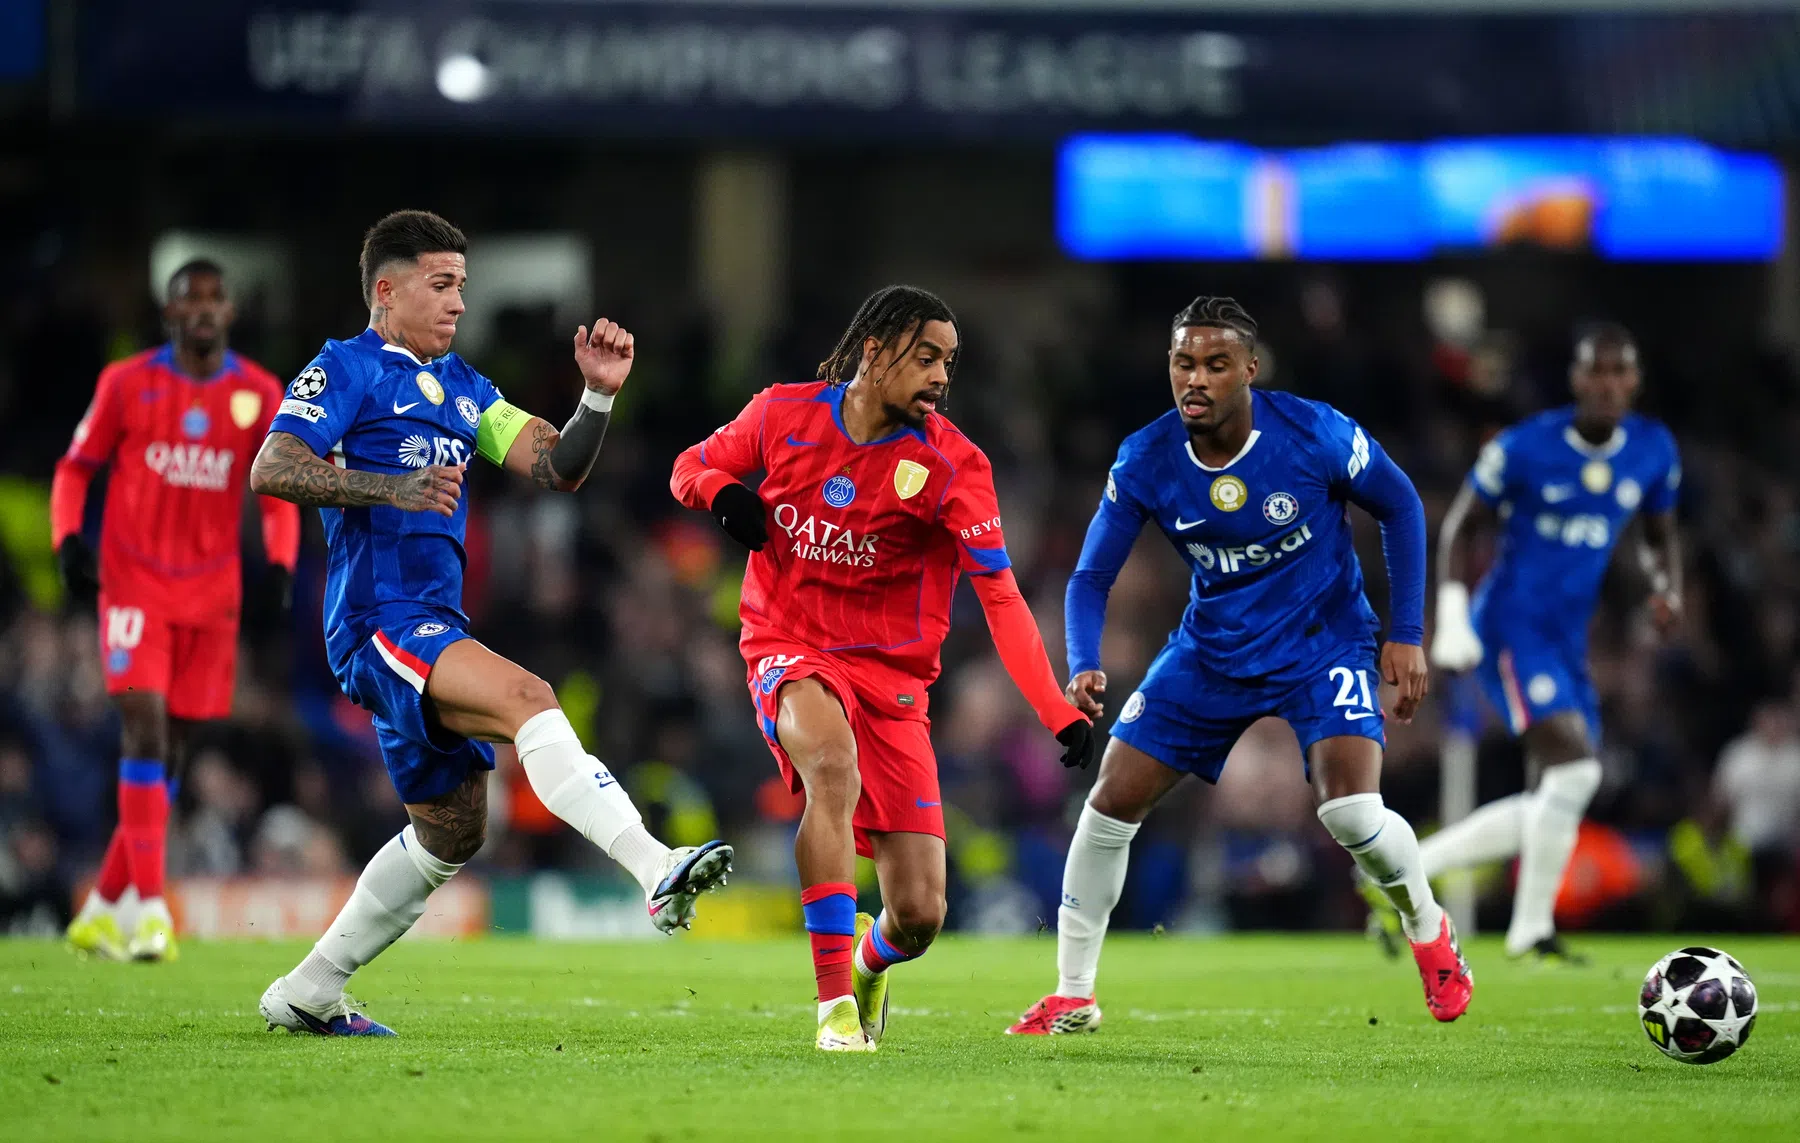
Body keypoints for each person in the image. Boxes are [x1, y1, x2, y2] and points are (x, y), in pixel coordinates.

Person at [249, 210, 731, 1036]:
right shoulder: (347, 370)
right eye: (441, 285)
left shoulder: (466, 387)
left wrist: (597, 397)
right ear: (386, 290)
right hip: (378, 618)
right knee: (528, 695)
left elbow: (555, 465)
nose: (458, 303)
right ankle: (656, 867)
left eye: (463, 286)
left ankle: (307, 989)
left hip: (432, 620)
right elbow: (273, 465)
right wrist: (387, 488)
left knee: (451, 832)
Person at [1009, 295, 1470, 1036]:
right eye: (1183, 362)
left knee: (1350, 811)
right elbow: (1091, 576)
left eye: (1215, 364)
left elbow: (1403, 505)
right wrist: (1085, 659)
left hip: (1324, 640)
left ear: (1249, 370)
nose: (1196, 378)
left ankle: (1427, 927)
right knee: (1107, 804)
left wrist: (1408, 631)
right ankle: (1072, 992)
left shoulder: (1314, 433)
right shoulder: (1147, 457)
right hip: (1212, 650)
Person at [671, 285, 1094, 1052]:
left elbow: (1000, 597)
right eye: (926, 356)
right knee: (831, 763)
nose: (940, 375)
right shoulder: (782, 414)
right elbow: (689, 466)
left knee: (922, 913)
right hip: (788, 644)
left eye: (949, 362)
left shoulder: (953, 465)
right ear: (874, 349)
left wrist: (1053, 708)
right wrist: (723, 491)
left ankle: (869, 963)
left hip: (895, 686)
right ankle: (835, 1006)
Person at [54, 261, 299, 963]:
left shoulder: (256, 393)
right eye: (188, 299)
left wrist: (281, 559)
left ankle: (102, 905)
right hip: (133, 586)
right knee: (145, 725)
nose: (201, 310)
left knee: (177, 745)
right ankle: (151, 908)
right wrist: (68, 538)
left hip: (211, 595)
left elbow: (276, 487)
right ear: (168, 311)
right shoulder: (125, 383)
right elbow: (75, 468)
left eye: (213, 299)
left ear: (229, 311)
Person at [1419, 323, 1681, 962]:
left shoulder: (1651, 449)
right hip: (1509, 628)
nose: (1609, 385)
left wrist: (1663, 588)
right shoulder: (1526, 448)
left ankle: (1456, 887)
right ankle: (1510, 916)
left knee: (1563, 790)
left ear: (1635, 381)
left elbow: (1656, 530)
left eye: (1621, 373)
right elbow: (1459, 528)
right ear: (1577, 378)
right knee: (1577, 768)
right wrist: (1451, 621)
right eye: (1598, 371)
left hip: (1566, 639)